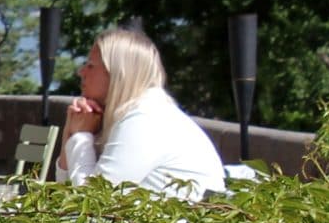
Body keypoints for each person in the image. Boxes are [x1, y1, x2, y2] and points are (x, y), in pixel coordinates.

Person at [62, 25, 227, 199]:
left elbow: (93, 201)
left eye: (90, 65)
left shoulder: (145, 120)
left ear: (119, 72)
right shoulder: (139, 114)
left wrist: (81, 136)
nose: (81, 72)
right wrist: (70, 131)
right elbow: (63, 192)